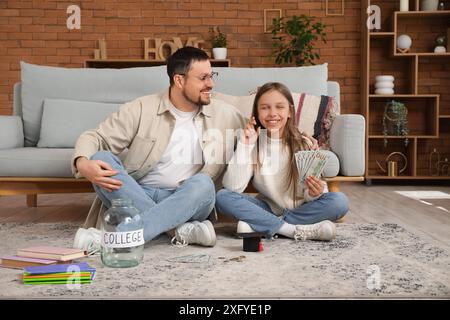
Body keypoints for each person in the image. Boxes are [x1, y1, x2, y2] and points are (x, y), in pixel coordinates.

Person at [72, 46, 245, 253]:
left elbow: (264, 118)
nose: (211, 84)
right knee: (101, 157)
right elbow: (95, 137)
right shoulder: (142, 108)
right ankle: (178, 230)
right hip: (137, 193)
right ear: (179, 80)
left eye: (212, 76)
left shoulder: (226, 113)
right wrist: (82, 163)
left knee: (203, 183)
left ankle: (118, 238)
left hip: (187, 198)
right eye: (203, 78)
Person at [216, 82, 349, 241]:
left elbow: (311, 193)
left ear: (289, 112)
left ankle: (265, 225)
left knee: (339, 201)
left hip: (302, 208)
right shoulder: (252, 143)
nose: (272, 113)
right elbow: (233, 187)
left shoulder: (304, 143)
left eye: (279, 107)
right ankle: (291, 230)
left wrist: (316, 193)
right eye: (265, 108)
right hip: (267, 208)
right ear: (257, 113)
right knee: (223, 196)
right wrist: (246, 145)